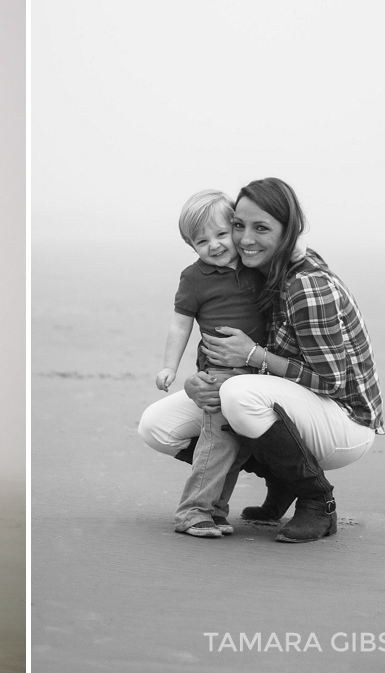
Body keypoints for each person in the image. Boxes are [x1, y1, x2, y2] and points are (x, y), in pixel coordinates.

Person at [146, 177, 384, 543]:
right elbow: (212, 324)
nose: (244, 239)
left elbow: (331, 382)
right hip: (279, 393)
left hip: (343, 419)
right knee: (157, 425)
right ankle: (280, 477)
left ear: (288, 232)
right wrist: (200, 379)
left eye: (261, 228)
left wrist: (251, 357)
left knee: (240, 395)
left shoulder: (307, 286)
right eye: (239, 226)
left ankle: (317, 501)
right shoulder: (252, 269)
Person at [140, 189, 267, 538]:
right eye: (202, 240)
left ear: (236, 230)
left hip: (259, 369)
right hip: (220, 374)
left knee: (239, 448)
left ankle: (216, 510)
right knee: (218, 443)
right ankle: (192, 512)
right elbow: (180, 324)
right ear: (190, 244)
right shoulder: (194, 279)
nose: (214, 245)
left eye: (222, 234)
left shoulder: (256, 267)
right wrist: (170, 367)